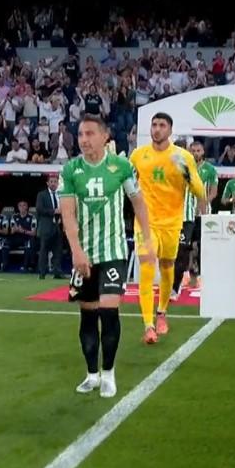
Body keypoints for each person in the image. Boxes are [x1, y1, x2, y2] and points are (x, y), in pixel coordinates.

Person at [59, 114, 155, 398]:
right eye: (80, 135)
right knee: (87, 317)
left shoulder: (121, 166)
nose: (84, 140)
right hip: (84, 255)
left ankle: (110, 373)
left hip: (113, 252)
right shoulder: (71, 170)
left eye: (90, 134)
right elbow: (68, 214)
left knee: (108, 312)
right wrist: (76, 251)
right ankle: (92, 375)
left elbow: (138, 204)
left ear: (104, 137)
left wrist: (148, 239)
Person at [129, 113, 205, 344]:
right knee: (146, 268)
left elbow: (199, 190)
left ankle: (162, 312)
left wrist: (190, 179)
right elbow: (127, 181)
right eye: (154, 125)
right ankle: (148, 325)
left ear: (170, 130)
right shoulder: (138, 155)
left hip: (172, 223)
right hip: (145, 223)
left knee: (167, 266)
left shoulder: (182, 156)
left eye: (162, 125)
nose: (157, 129)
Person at [173, 140, 218, 296]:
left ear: (203, 152)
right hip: (186, 213)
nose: (195, 153)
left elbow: (213, 191)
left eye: (198, 150)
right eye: (193, 150)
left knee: (202, 246)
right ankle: (185, 275)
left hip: (203, 214)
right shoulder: (184, 168)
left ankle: (201, 277)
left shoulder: (210, 169)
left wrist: (204, 202)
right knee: (185, 246)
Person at [36, 174, 67, 279]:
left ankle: (57, 272)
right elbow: (40, 209)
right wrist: (54, 211)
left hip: (58, 226)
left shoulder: (60, 195)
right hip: (46, 227)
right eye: (51, 181)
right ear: (47, 183)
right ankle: (42, 273)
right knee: (44, 250)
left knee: (58, 251)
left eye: (55, 181)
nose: (53, 183)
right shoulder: (42, 195)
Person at [8, 201, 37, 272]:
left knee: (30, 243)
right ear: (18, 207)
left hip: (27, 237)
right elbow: (12, 231)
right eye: (20, 206)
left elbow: (33, 233)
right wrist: (16, 230)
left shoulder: (32, 217)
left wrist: (23, 231)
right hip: (16, 237)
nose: (22, 207)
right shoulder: (14, 217)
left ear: (27, 207)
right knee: (3, 243)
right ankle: (2, 266)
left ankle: (26, 266)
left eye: (24, 205)